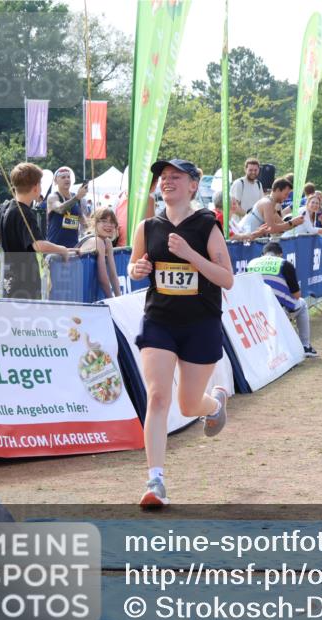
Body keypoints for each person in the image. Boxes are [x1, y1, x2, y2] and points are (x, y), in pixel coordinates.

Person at [127, 158, 234, 507]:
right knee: (158, 398)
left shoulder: (207, 225)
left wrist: (190, 255)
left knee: (188, 405)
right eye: (163, 177)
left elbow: (226, 279)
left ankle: (213, 404)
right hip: (159, 321)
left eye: (176, 176)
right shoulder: (147, 226)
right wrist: (137, 269)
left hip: (200, 323)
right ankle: (155, 481)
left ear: (193, 186)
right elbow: (134, 265)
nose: (167, 181)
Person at [0, 163, 72, 299]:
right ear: (36, 187)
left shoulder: (5, 207)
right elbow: (38, 244)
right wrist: (62, 249)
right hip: (23, 281)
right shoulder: (24, 212)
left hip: (6, 276)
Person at [249, 242, 318, 357]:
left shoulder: (251, 263)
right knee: (302, 304)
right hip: (277, 310)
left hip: (255, 312)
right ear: (280, 254)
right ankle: (305, 346)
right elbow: (296, 295)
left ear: (263, 254)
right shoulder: (284, 264)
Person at [234, 179, 300, 241]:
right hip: (241, 239)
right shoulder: (267, 203)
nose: (287, 197)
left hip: (246, 239)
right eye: (286, 194)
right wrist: (292, 223)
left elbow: (281, 226)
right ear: (277, 190)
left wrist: (296, 222)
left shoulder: (270, 204)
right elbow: (271, 229)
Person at [79, 207, 122, 299]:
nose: (109, 225)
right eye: (104, 221)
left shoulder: (107, 242)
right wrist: (111, 300)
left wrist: (119, 299)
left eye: (112, 222)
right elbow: (103, 278)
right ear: (94, 223)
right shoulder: (97, 241)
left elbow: (113, 274)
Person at [46, 166, 89, 247]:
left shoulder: (76, 198)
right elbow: (60, 209)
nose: (67, 179)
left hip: (73, 246)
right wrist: (77, 197)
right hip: (55, 247)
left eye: (68, 177)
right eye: (63, 177)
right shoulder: (53, 197)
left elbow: (83, 220)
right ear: (56, 181)